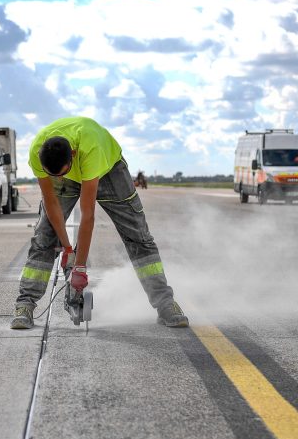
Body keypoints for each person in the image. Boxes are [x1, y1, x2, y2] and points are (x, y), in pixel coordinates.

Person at [10, 117, 189, 329]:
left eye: (62, 174)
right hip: (69, 165)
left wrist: (79, 268)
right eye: (52, 175)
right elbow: (51, 204)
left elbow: (88, 216)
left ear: (74, 156)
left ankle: (165, 304)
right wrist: (67, 248)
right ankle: (25, 305)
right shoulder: (37, 153)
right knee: (44, 235)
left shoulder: (90, 149)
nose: (57, 179)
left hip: (109, 170)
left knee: (138, 236)